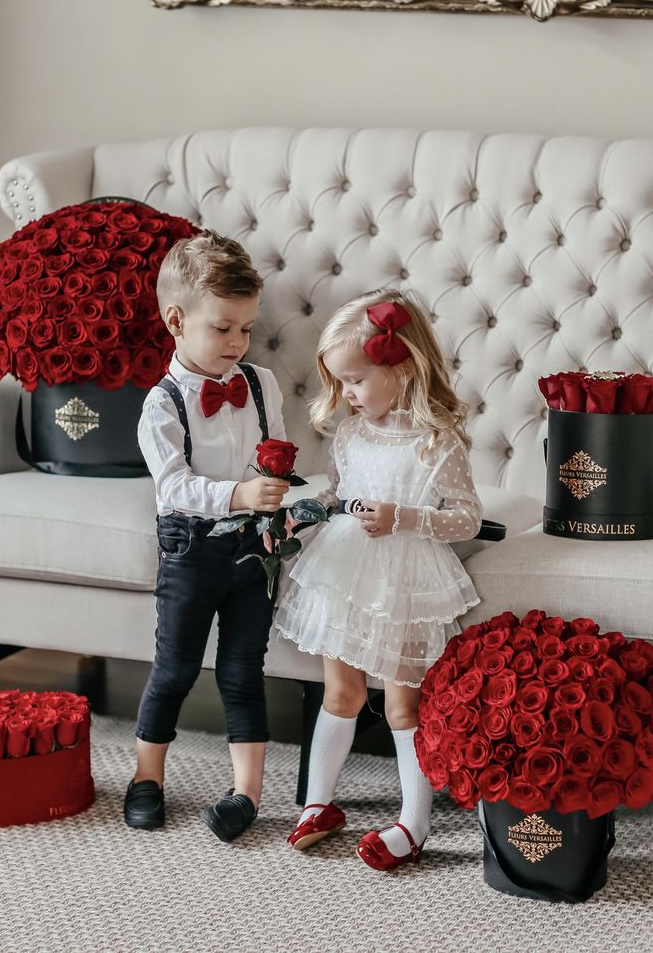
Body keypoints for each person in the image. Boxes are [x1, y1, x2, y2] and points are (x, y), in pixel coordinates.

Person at [275, 288, 482, 870]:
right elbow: (342, 496)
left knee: (401, 709)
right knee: (340, 694)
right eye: (338, 382)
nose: (345, 394)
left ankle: (413, 822)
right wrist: (306, 510)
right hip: (345, 572)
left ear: (403, 367)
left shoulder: (437, 442)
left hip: (406, 578)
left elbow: (465, 517)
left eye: (356, 380)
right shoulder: (351, 434)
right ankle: (320, 802)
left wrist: (403, 518)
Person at [123, 231, 289, 841]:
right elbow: (174, 488)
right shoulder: (161, 405)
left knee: (244, 670)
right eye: (224, 329)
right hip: (191, 547)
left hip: (253, 549)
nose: (238, 343)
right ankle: (147, 778)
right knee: (175, 667)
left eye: (246, 329)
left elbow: (271, 467)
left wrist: (274, 512)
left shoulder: (262, 385)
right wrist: (238, 496)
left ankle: (245, 794)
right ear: (176, 320)